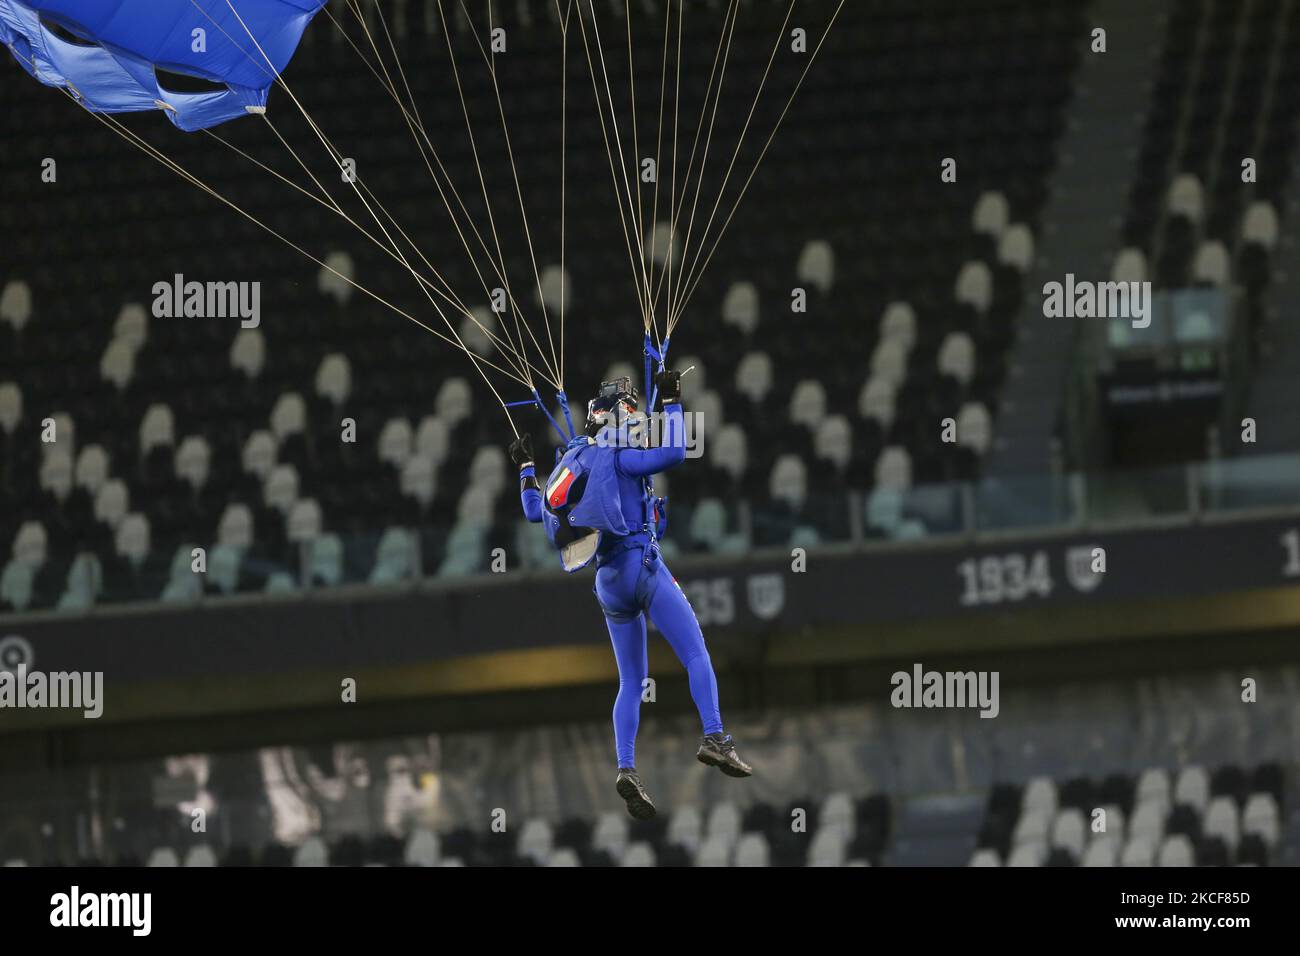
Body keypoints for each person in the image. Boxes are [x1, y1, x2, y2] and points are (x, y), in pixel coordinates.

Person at [509, 370, 751, 819]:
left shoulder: (572, 458)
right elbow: (676, 452)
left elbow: (531, 509)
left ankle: (626, 766)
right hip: (641, 565)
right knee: (697, 655)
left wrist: (525, 466)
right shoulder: (619, 455)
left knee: (631, 682)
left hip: (607, 583)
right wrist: (675, 400)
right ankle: (715, 736)